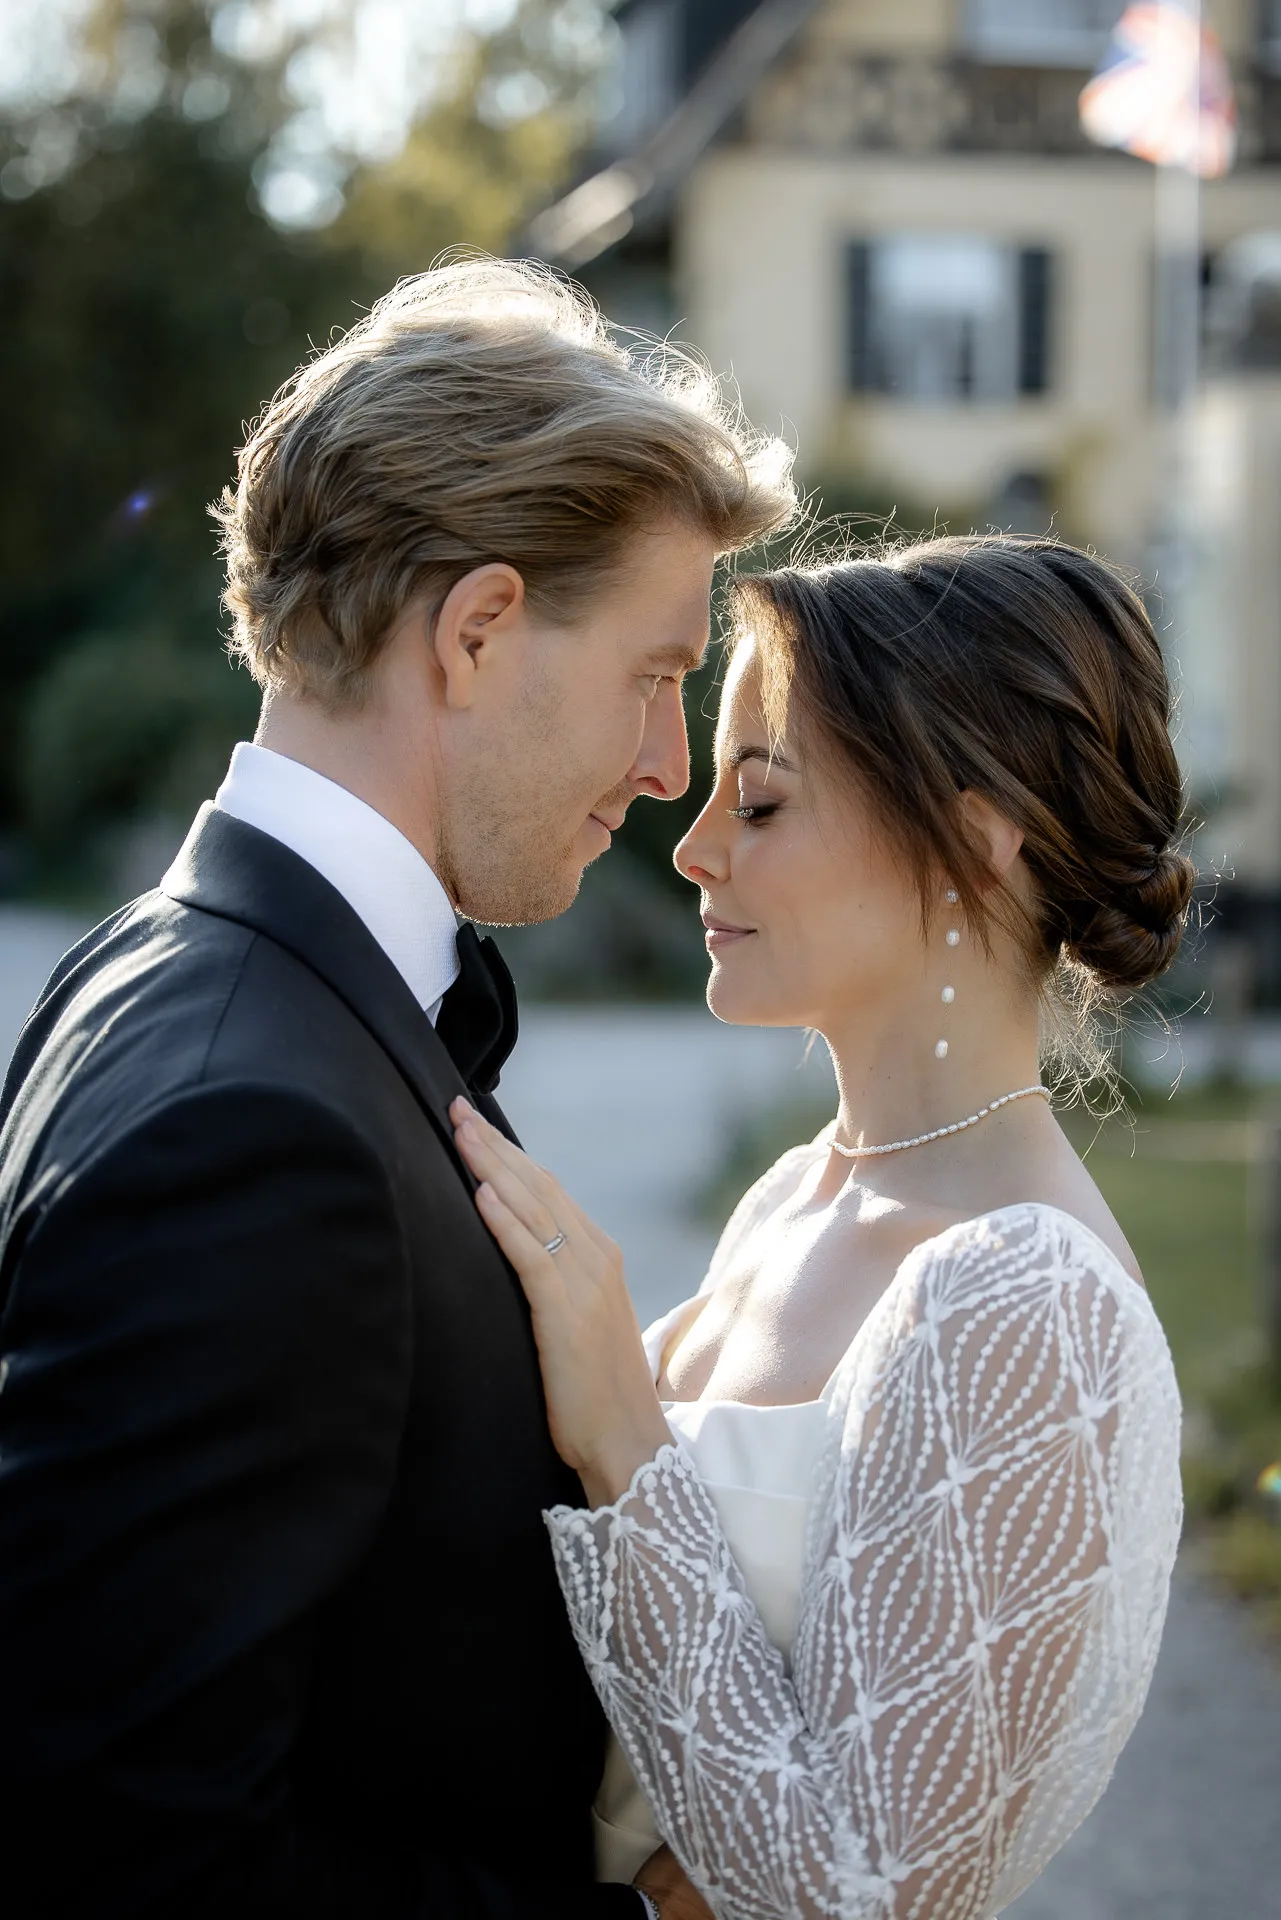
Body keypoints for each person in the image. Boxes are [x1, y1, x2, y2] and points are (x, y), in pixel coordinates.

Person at [0, 259, 795, 1918]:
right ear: (480, 630)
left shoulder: (159, 969)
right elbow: (139, 1865)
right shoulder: (250, 1133)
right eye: (655, 674)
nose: (671, 767)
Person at [452, 534, 1190, 1920]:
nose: (694, 849)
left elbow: (856, 1893)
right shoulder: (794, 1193)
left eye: (763, 803)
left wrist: (627, 1441)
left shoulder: (1027, 1299)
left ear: (975, 844)